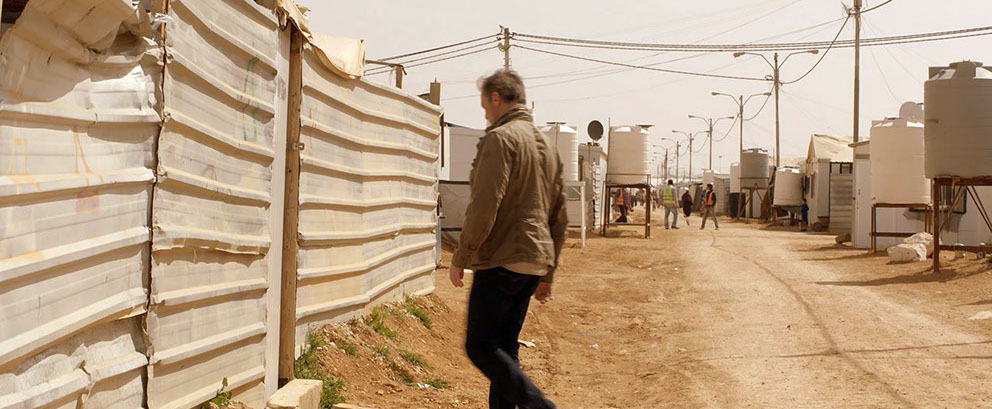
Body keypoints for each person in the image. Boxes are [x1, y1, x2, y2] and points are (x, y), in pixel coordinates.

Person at [450, 69, 562, 409]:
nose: (485, 114)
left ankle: (540, 406)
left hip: (503, 258)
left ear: (496, 98)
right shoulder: (548, 147)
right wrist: (548, 271)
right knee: (505, 348)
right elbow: (559, 215)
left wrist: (461, 255)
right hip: (534, 260)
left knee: (480, 347)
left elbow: (485, 205)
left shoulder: (500, 139)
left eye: (485, 105)